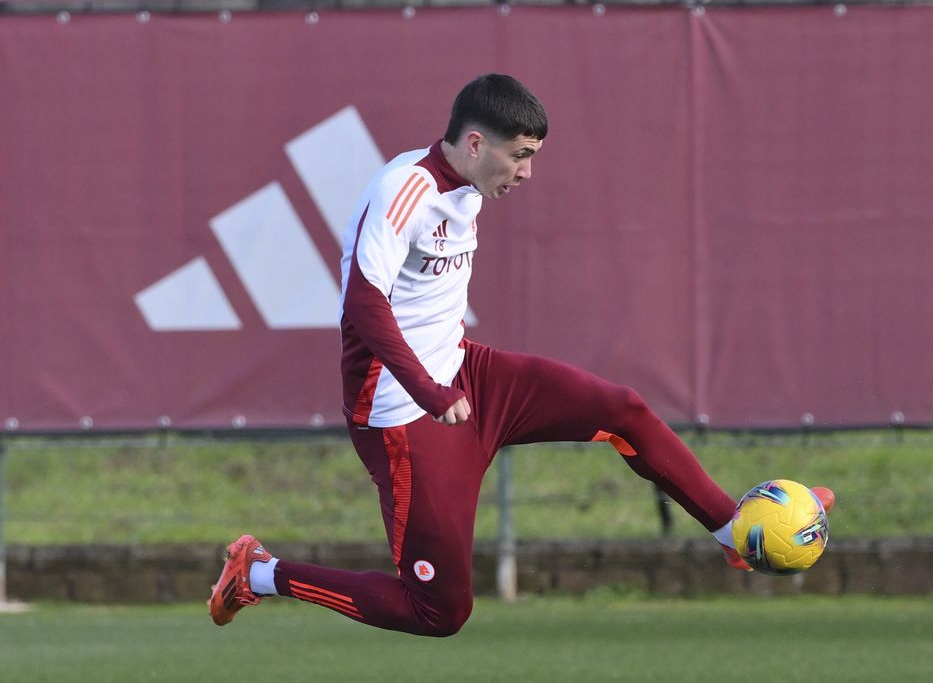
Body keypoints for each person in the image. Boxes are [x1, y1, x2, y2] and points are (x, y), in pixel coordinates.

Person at [208, 74, 834, 635]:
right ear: (476, 144)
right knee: (439, 612)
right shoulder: (405, 189)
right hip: (406, 413)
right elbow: (362, 306)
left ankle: (737, 533)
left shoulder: (471, 186)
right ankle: (259, 573)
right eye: (521, 156)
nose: (528, 172)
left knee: (622, 409)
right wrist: (430, 393)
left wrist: (448, 380)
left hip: (468, 375)